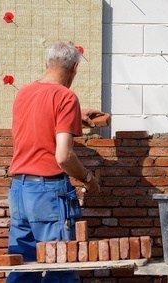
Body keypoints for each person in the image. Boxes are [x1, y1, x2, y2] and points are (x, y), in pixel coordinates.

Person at [7, 42, 105, 282]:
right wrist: (88, 179)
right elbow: (63, 156)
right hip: (48, 193)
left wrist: (74, 118)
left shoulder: (24, 93)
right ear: (73, 69)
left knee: (22, 266)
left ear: (46, 65)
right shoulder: (66, 97)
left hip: (19, 190)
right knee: (60, 265)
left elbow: (39, 125)